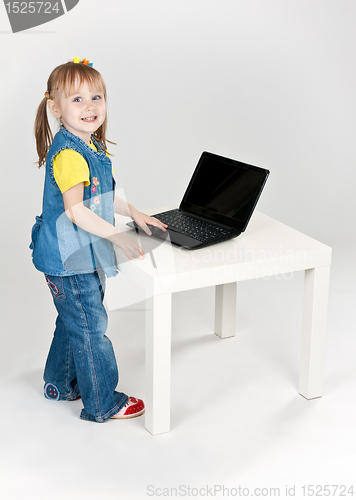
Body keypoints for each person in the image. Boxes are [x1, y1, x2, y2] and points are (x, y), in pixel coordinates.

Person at [30, 57, 167, 423]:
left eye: (96, 97)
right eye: (77, 100)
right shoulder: (72, 154)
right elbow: (77, 210)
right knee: (92, 330)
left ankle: (59, 382)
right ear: (56, 108)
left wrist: (132, 211)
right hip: (67, 259)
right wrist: (118, 236)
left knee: (74, 321)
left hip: (78, 254)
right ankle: (102, 401)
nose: (90, 107)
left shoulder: (89, 145)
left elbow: (99, 196)